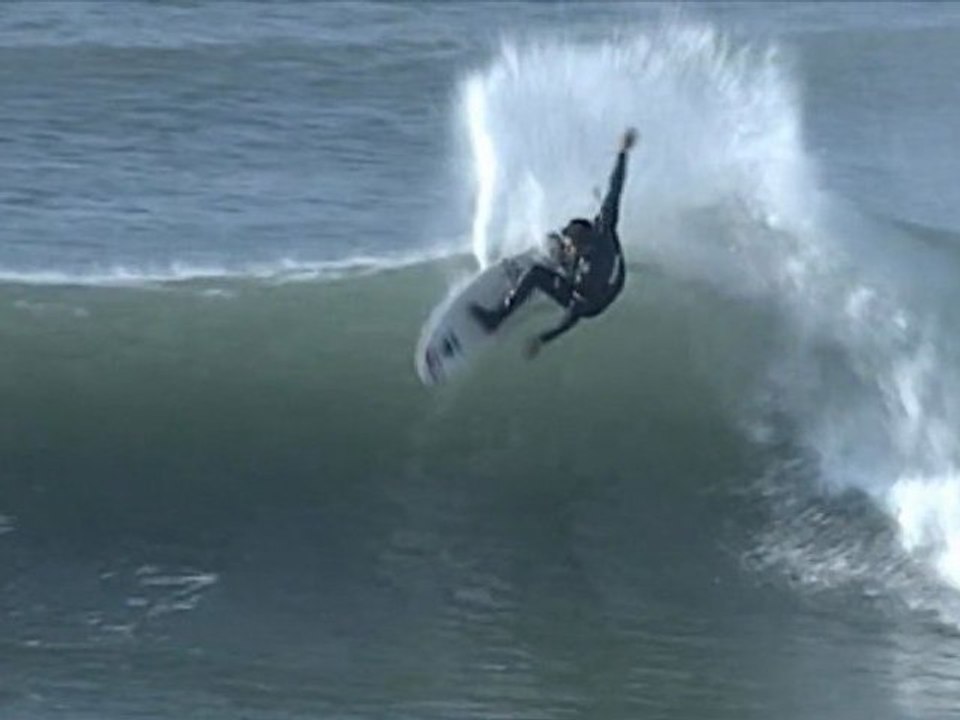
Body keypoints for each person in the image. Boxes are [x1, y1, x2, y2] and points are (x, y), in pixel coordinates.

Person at [469, 127, 637, 358]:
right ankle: (557, 263)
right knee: (556, 244)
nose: (567, 244)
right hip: (610, 265)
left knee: (537, 274)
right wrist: (622, 153)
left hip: (597, 299)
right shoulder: (603, 225)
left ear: (581, 248)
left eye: (569, 245)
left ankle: (494, 319)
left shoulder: (586, 278)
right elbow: (615, 189)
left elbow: (573, 317)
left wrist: (544, 338)